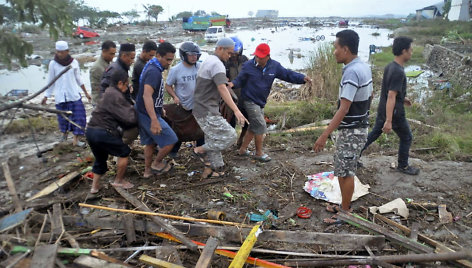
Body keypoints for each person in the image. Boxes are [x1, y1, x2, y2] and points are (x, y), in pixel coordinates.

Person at [313, 30, 373, 223]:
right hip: (359, 126)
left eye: (336, 47)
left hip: (351, 130)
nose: (334, 52)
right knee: (345, 169)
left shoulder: (352, 72)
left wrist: (324, 135)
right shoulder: (363, 66)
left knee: (345, 172)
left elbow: (344, 108)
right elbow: (370, 96)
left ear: (345, 49)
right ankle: (344, 206)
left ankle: (345, 213)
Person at [228, 43, 311, 162]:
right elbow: (240, 80)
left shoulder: (274, 66)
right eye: (256, 56)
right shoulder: (248, 66)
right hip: (249, 100)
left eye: (261, 57)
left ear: (268, 56)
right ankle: (258, 153)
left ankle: (242, 150)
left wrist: (302, 78)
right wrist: (232, 84)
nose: (258, 59)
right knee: (261, 125)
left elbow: (287, 74)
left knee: (254, 125)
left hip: (260, 101)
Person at [360, 36, 420, 175]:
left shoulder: (390, 66)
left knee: (374, 134)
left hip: (384, 108)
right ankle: (403, 166)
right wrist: (389, 120)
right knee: (407, 137)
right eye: (411, 50)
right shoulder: (398, 71)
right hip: (394, 113)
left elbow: (391, 92)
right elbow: (391, 95)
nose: (412, 53)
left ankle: (353, 157)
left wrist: (403, 98)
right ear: (404, 51)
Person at [193, 37, 248, 178]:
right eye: (228, 53)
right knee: (230, 136)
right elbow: (222, 88)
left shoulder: (209, 61)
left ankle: (217, 169)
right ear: (219, 49)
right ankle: (199, 149)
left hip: (203, 107)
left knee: (213, 138)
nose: (229, 57)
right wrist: (236, 111)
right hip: (206, 109)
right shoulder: (217, 64)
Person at [86, 69, 137, 193]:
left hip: (91, 131)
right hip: (103, 132)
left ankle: (94, 187)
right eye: (127, 84)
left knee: (100, 159)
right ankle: (118, 181)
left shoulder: (108, 92)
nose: (127, 87)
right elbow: (129, 118)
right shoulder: (116, 95)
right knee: (124, 152)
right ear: (120, 83)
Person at [136, 42, 178, 179]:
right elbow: (146, 95)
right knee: (171, 139)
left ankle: (147, 172)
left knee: (149, 143)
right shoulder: (154, 72)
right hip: (147, 114)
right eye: (168, 59)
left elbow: (153, 94)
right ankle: (157, 163)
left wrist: (159, 108)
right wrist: (154, 119)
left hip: (144, 111)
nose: (170, 63)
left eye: (172, 59)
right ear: (158, 55)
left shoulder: (152, 66)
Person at [41, 40, 91, 146]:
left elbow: (79, 79)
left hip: (73, 95)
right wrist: (46, 96)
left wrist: (86, 93)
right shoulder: (53, 64)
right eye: (58, 52)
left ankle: (76, 139)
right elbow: (51, 81)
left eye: (62, 52)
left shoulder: (74, 63)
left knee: (79, 116)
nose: (60, 54)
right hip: (60, 97)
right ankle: (64, 136)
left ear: (67, 51)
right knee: (62, 118)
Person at [165, 41, 205, 158]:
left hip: (199, 105)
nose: (194, 57)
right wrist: (175, 97)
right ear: (184, 55)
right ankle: (173, 152)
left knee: (201, 128)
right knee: (180, 130)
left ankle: (199, 150)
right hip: (183, 105)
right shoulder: (176, 70)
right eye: (191, 55)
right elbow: (168, 85)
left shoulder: (200, 67)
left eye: (196, 55)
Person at [223, 36, 249, 148]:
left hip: (244, 94)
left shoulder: (245, 60)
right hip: (230, 96)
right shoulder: (224, 62)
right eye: (231, 53)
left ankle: (241, 139)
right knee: (230, 121)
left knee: (247, 119)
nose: (233, 55)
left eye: (236, 53)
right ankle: (228, 141)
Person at [89, 40, 116, 105]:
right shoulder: (97, 68)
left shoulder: (109, 63)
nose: (113, 56)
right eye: (111, 54)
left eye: (114, 53)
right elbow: (99, 88)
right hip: (100, 103)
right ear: (104, 51)